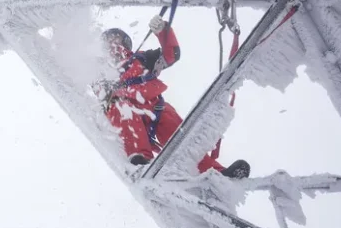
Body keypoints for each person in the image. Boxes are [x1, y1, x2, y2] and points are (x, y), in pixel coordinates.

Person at [96, 15, 250, 179]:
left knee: (180, 136)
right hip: (121, 105)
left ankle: (216, 172)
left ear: (125, 42)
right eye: (109, 40)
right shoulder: (99, 68)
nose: (114, 43)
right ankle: (140, 162)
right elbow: (85, 77)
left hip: (154, 106)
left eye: (116, 38)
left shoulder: (141, 58)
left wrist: (163, 31)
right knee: (125, 112)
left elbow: (171, 54)